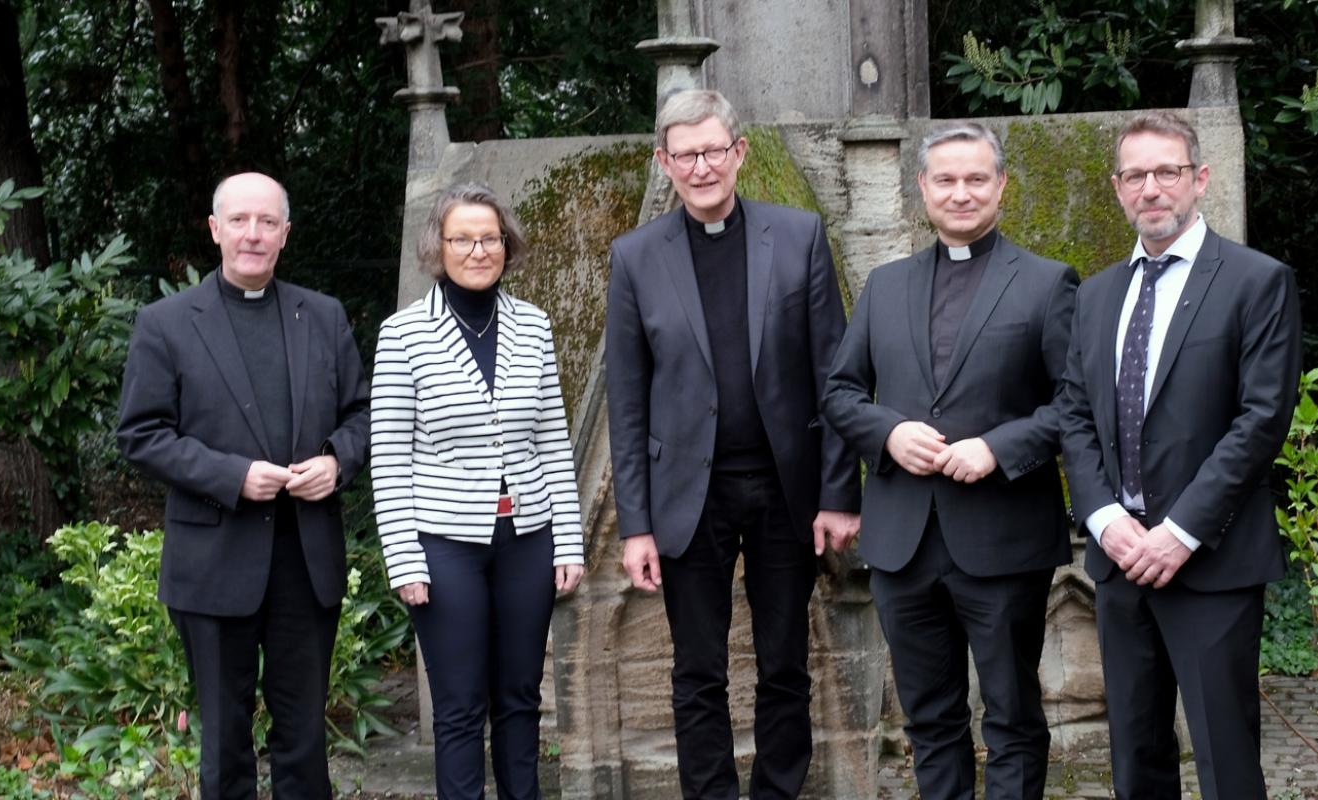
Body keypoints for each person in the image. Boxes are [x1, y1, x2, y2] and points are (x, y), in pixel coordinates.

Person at [603, 88, 861, 800]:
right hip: (689, 496)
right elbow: (627, 402)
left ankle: (777, 793)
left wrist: (839, 493)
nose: (701, 166)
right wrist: (636, 526)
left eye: (714, 150)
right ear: (665, 162)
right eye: (684, 155)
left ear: (739, 153)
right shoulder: (634, 257)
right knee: (697, 672)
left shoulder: (800, 235)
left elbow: (832, 378)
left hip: (786, 490)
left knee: (785, 665)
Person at [821, 122, 1078, 799]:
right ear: (922, 189)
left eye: (975, 180)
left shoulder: (1049, 284)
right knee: (929, 720)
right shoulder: (885, 285)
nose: (960, 193)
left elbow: (1074, 405)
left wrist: (999, 447)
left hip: (1002, 539)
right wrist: (889, 435)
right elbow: (840, 393)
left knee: (1013, 719)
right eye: (945, 180)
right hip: (903, 541)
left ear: (1000, 186)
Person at [1054, 110, 1302, 800]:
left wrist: (1179, 532)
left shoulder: (1256, 281)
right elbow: (1073, 416)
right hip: (1120, 561)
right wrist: (1103, 518)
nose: (1151, 188)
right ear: (1117, 188)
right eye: (1135, 175)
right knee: (1136, 760)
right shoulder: (1099, 295)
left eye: (1167, 172)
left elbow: (1260, 421)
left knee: (1226, 763)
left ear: (1199, 179)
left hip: (1211, 562)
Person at [116, 172, 370, 799]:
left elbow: (365, 415)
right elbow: (141, 433)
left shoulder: (325, 315)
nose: (252, 235)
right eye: (239, 221)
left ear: (286, 233)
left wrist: (337, 462)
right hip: (214, 561)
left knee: (305, 737)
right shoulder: (166, 323)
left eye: (266, 222)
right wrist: (231, 476)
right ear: (215, 230)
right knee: (225, 740)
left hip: (305, 562)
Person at [369, 183, 586, 800]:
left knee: (519, 699)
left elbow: (551, 442)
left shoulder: (533, 325)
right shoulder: (403, 334)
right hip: (444, 546)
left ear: (506, 243)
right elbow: (388, 457)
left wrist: (567, 542)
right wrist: (404, 559)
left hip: (528, 538)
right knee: (460, 704)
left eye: (488, 238)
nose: (477, 250)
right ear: (438, 247)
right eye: (462, 239)